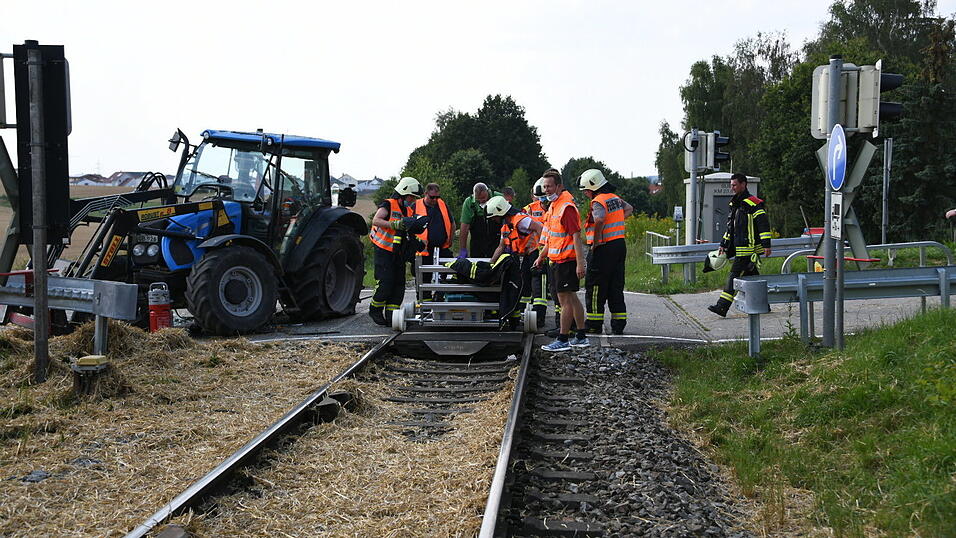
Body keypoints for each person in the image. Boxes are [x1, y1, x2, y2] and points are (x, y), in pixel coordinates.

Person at [534, 168, 588, 351]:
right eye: (544, 186)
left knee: (565, 301)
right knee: (572, 298)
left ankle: (563, 339)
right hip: (558, 259)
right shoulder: (555, 205)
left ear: (559, 186)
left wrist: (581, 263)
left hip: (566, 261)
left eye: (549, 186)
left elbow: (576, 236)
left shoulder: (566, 207)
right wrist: (541, 256)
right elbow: (553, 238)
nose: (546, 189)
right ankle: (581, 336)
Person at [707, 173, 771, 317]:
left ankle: (722, 307)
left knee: (733, 277)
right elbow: (731, 227)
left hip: (748, 249)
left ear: (744, 184)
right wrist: (724, 244)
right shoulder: (734, 204)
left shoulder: (753, 204)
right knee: (752, 277)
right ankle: (764, 304)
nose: (732, 188)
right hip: (740, 248)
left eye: (734, 185)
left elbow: (763, 225)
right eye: (731, 185)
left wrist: (767, 245)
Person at [580, 169, 633, 335]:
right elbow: (629, 209)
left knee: (595, 285)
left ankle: (594, 323)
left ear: (592, 187)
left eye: (586, 190)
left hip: (603, 247)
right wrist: (616, 220)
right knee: (615, 285)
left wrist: (595, 242)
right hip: (619, 245)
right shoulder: (614, 198)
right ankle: (618, 323)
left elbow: (600, 219)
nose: (585, 194)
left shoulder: (598, 201)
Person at [368, 177, 426, 326]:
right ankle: (375, 309)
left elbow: (406, 230)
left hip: (397, 252)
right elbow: (376, 220)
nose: (412, 200)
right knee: (386, 282)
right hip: (383, 250)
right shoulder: (388, 204)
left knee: (399, 284)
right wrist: (395, 224)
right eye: (411, 197)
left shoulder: (407, 209)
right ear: (403, 192)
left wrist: (417, 242)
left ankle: (391, 314)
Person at [488, 195, 544, 328]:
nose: (494, 220)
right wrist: (490, 264)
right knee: (522, 284)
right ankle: (521, 315)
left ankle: (539, 317)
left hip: (536, 253)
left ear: (501, 212)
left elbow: (540, 228)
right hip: (526, 255)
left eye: (494, 217)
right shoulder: (506, 227)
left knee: (537, 287)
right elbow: (501, 246)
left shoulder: (520, 220)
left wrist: (542, 253)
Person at [523, 178, 550, 324]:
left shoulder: (554, 208)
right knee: (529, 283)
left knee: (541, 286)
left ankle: (540, 316)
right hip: (532, 251)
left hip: (549, 251)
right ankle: (525, 313)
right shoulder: (529, 209)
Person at [414, 183, 454, 278]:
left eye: (437, 197)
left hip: (442, 248)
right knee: (424, 279)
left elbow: (452, 223)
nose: (435, 200)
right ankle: (424, 293)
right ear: (425, 193)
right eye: (432, 197)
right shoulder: (415, 205)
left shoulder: (442, 204)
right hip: (423, 250)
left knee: (448, 275)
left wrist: (450, 240)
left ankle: (440, 293)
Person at [459, 182, 502, 259]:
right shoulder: (469, 203)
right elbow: (464, 228)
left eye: (483, 199)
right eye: (479, 200)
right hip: (477, 243)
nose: (481, 201)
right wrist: (463, 249)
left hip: (497, 241)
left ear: (488, 192)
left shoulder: (499, 198)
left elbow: (509, 221)